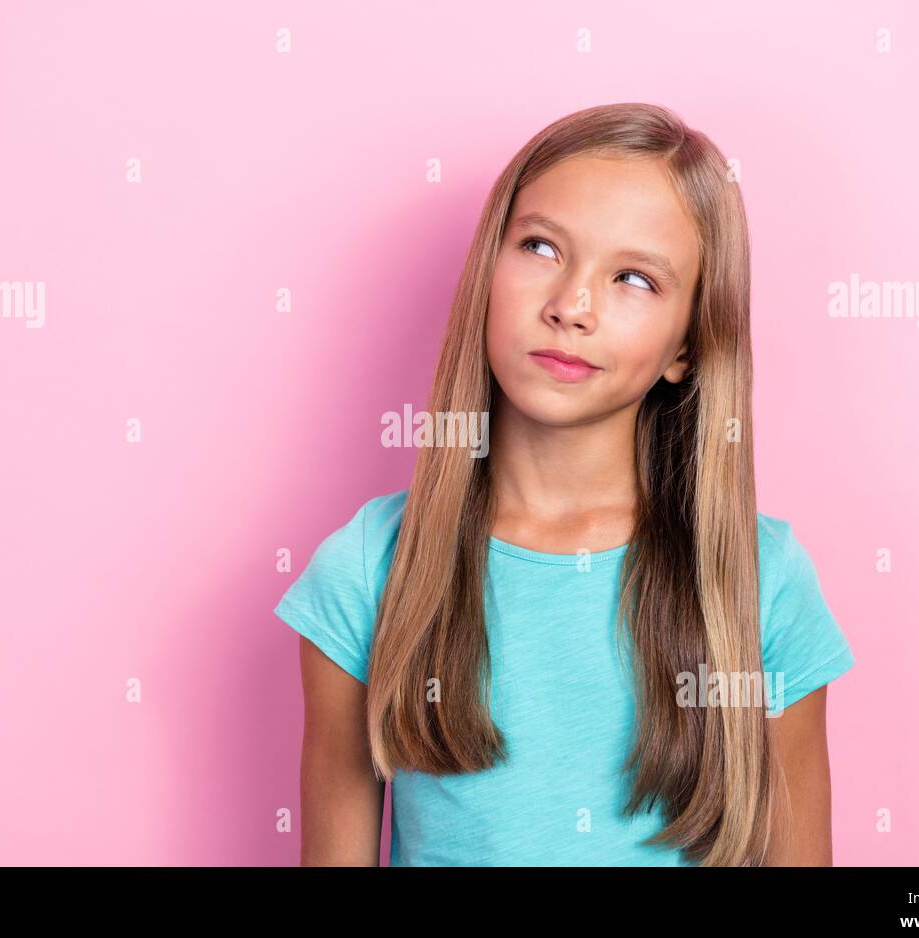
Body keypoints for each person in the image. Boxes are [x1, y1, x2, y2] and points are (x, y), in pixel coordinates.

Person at [275, 102, 855, 866]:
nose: (571, 306)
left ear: (687, 346)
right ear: (488, 270)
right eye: (542, 246)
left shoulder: (762, 583)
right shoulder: (365, 573)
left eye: (635, 279)